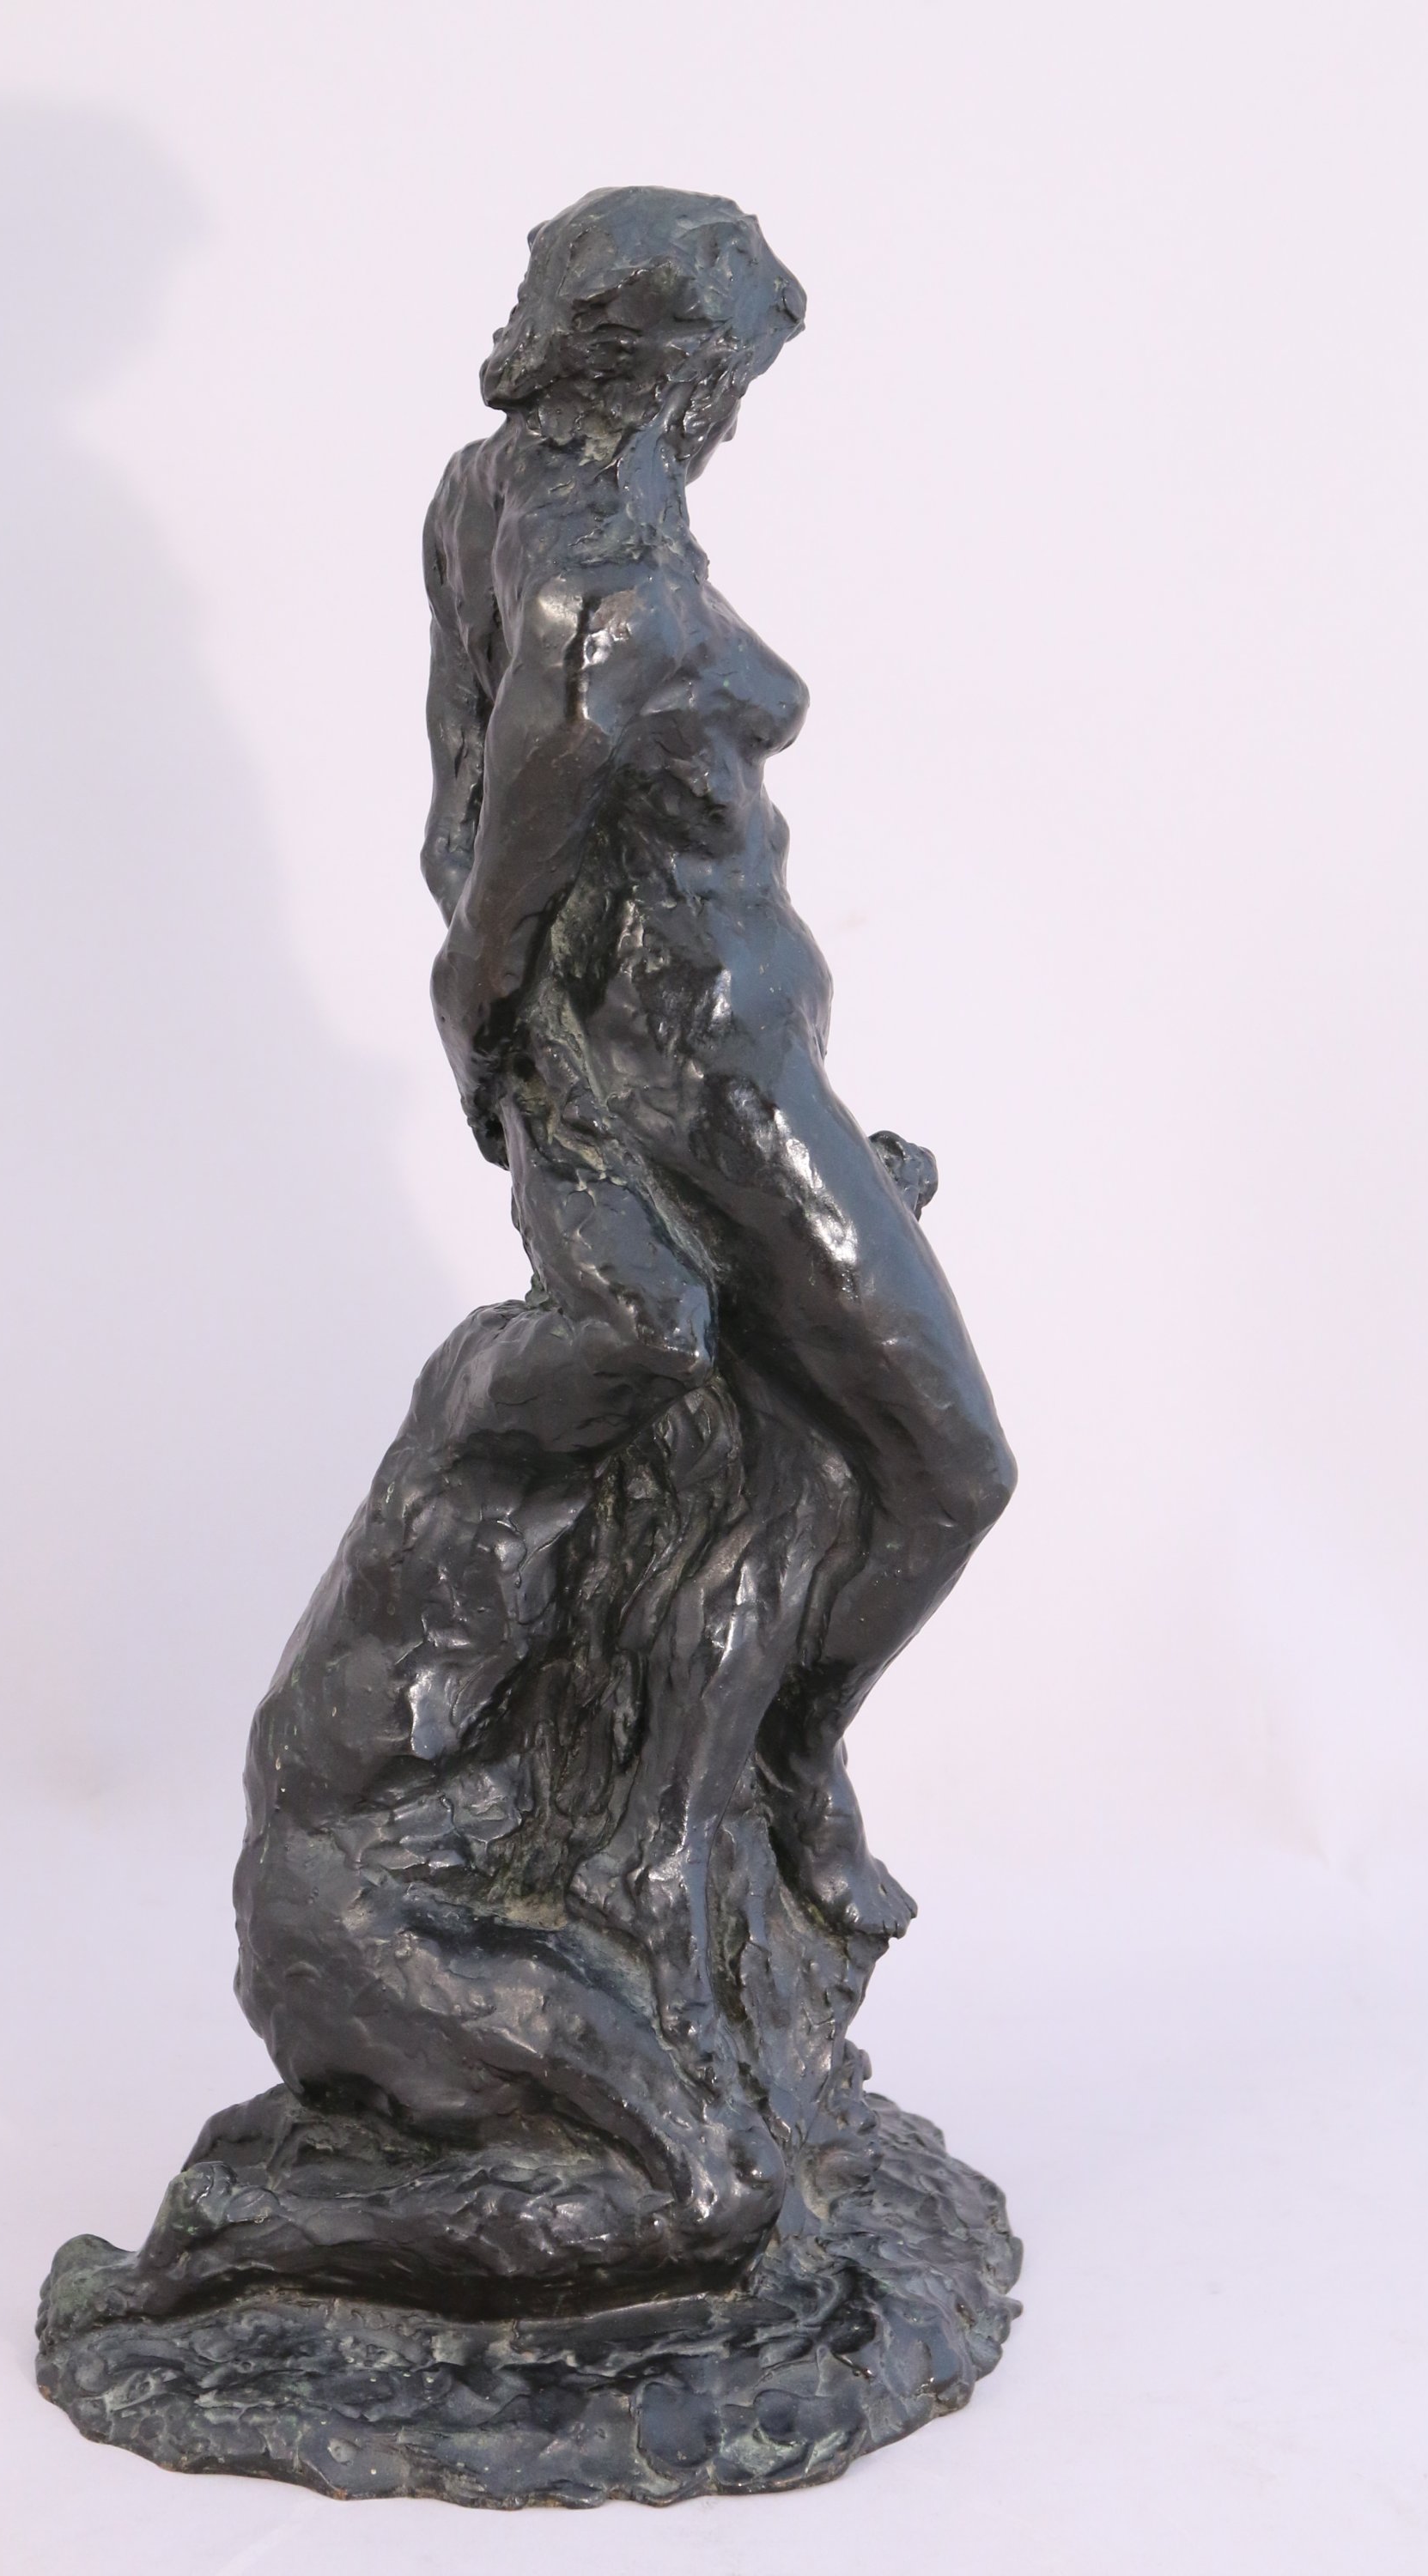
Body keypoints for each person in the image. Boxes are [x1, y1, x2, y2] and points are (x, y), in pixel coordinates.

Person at [420, 185, 1016, 1988]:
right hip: (713, 1077)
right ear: (674, 368)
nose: (735, 418)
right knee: (947, 1467)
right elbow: (503, 858)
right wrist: (514, 1054)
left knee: (809, 1450)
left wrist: (531, 1055)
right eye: (733, 381)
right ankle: (792, 1760)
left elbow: (455, 810)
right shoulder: (609, 582)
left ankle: (714, 1783)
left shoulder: (492, 494)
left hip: (708, 1054)